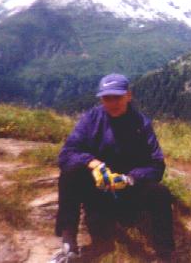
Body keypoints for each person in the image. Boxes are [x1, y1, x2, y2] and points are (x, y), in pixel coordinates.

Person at [50, 73, 174, 262]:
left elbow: (156, 164)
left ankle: (165, 254)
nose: (112, 103)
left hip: (128, 192)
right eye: (107, 98)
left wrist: (130, 178)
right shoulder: (91, 119)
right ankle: (69, 243)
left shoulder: (141, 124)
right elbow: (66, 154)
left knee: (160, 193)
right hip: (97, 191)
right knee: (70, 174)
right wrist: (92, 163)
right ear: (101, 99)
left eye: (118, 97)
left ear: (128, 96)